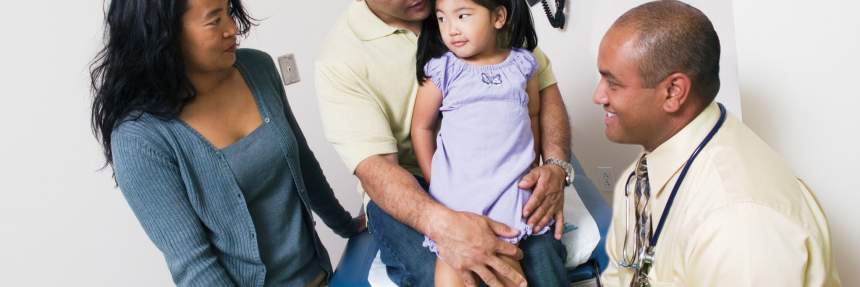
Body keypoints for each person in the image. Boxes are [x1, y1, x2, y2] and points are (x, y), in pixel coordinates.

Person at [89, 0, 363, 285]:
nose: (232, 29)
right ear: (164, 35)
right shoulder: (140, 139)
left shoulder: (258, 68)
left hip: (321, 276)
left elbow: (303, 163)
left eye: (228, 12)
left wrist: (347, 225)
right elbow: (194, 265)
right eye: (214, 20)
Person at [315, 0, 574, 286]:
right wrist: (443, 214)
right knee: (448, 266)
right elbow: (376, 169)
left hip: (500, 175)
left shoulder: (470, 7)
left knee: (539, 257)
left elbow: (541, 94)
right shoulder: (340, 57)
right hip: (412, 183)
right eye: (442, 19)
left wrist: (555, 164)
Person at [592, 1, 841, 286]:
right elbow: (620, 275)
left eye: (613, 83)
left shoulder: (739, 223)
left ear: (673, 92)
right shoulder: (643, 175)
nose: (598, 96)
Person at [410, 0, 557, 285]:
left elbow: (533, 115)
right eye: (441, 19)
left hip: (506, 192)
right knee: (452, 273)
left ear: (498, 17)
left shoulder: (524, 65)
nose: (451, 30)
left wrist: (533, 167)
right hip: (457, 199)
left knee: (504, 270)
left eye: (462, 16)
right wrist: (435, 180)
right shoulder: (443, 69)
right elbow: (421, 127)